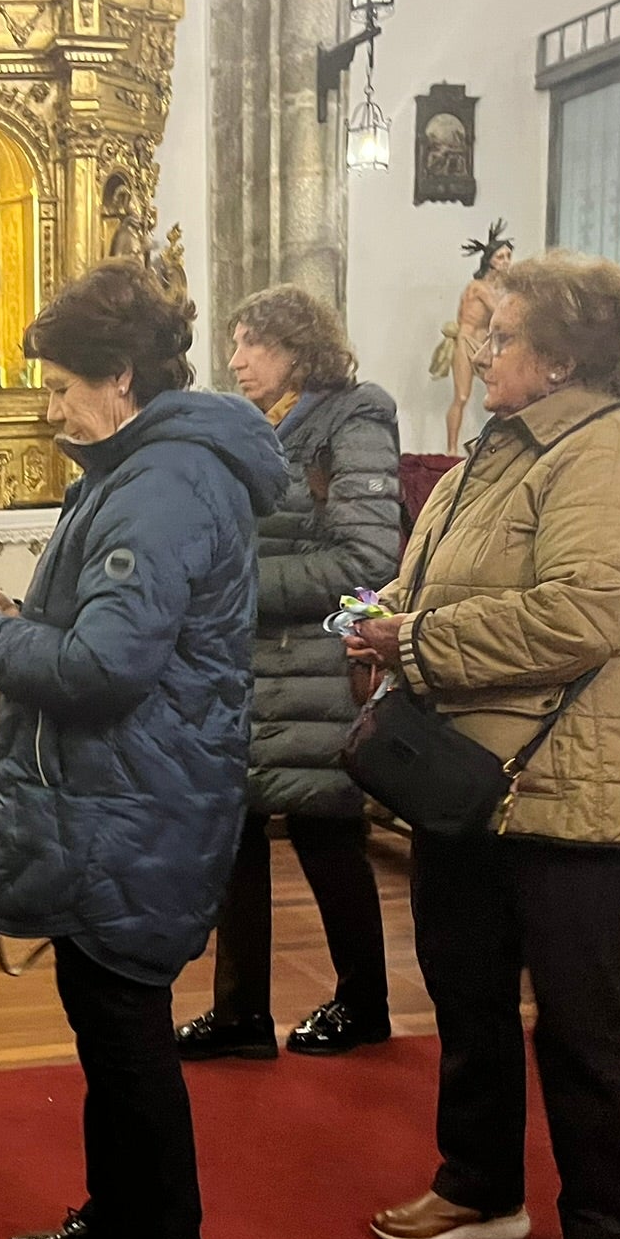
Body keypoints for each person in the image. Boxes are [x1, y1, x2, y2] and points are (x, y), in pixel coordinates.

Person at [0, 258, 287, 1239]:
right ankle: (116, 1218)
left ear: (120, 376)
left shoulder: (162, 481)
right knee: (105, 1027)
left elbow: (103, 665)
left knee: (129, 1039)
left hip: (137, 795)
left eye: (57, 390)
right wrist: (20, 614)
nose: (47, 411)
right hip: (122, 790)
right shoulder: (136, 466)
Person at [349, 252, 620, 1239]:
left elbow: (582, 612)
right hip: (467, 779)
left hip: (570, 785)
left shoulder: (610, 458)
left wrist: (416, 640)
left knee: (581, 1021)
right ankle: (480, 1186)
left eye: (499, 335)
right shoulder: (480, 463)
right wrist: (374, 616)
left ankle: (605, 1234)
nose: (480, 352)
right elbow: (417, 581)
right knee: (466, 994)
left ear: (560, 358)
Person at [177, 285, 400, 1061]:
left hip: (310, 667)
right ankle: (239, 1014)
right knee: (231, 837)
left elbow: (369, 562)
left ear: (299, 351)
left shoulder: (354, 417)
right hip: (240, 667)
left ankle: (364, 1002)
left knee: (326, 835)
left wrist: (235, 590)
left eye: (253, 344)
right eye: (234, 342)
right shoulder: (248, 426)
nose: (235, 359)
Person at [438, 220, 513, 452]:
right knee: (461, 396)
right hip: (466, 342)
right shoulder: (478, 287)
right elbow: (501, 311)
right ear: (489, 261)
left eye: (508, 256)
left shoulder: (499, 288)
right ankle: (451, 449)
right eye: (500, 257)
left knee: (503, 394)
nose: (506, 262)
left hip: (485, 345)